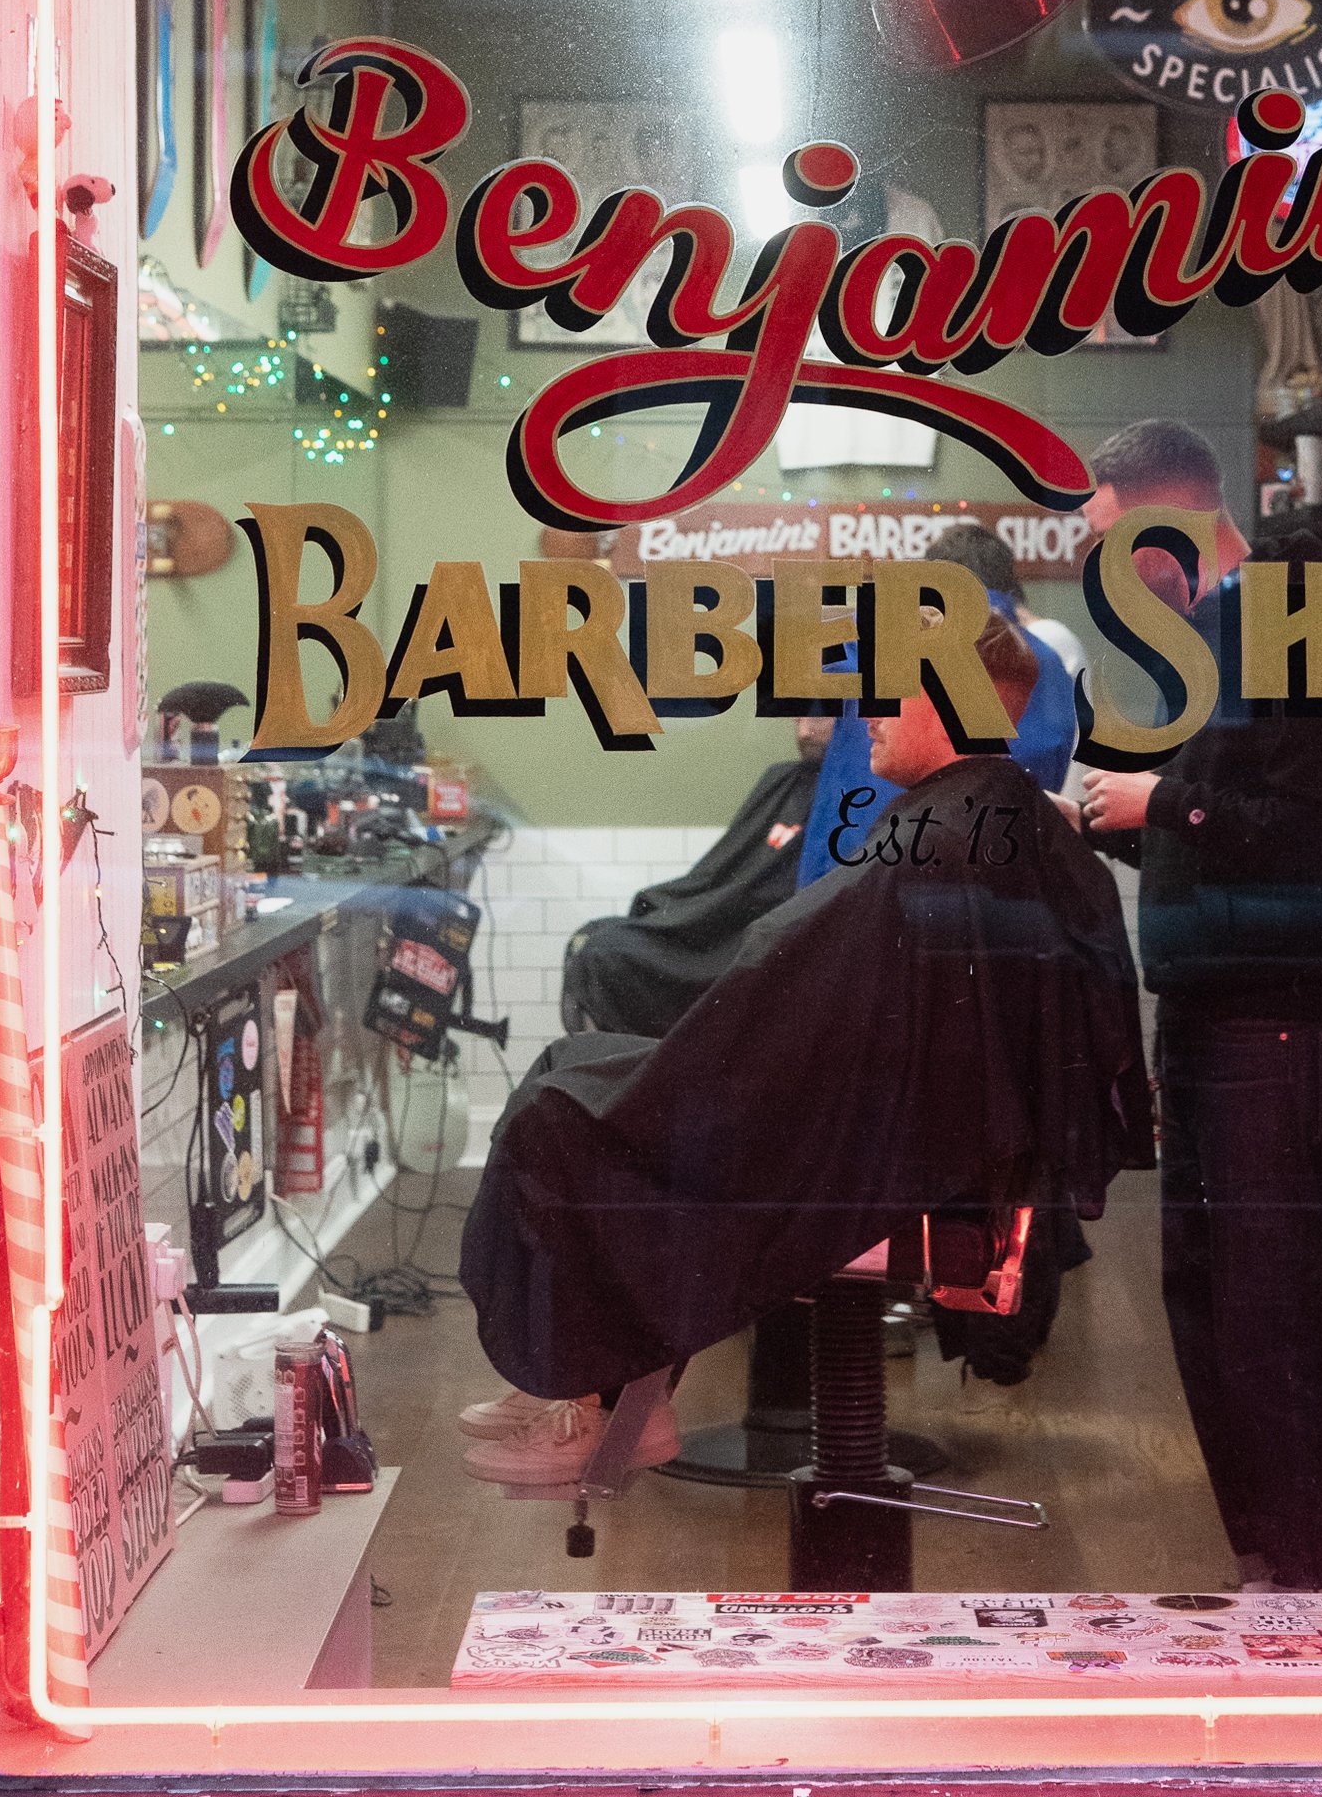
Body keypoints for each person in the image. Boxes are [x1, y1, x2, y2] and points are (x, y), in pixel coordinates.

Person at [457, 611, 1152, 1487]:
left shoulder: (938, 839)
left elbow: (791, 995)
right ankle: (600, 1393)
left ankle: (587, 1399)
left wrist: (705, 1053)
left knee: (566, 1111)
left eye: (884, 697)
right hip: (920, 1142)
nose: (865, 716)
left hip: (879, 1155)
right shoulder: (1005, 823)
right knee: (576, 1077)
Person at [1074, 420, 1322, 1592]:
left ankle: (1311, 1589)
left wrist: (1168, 808)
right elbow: (1223, 835)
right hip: (1213, 1015)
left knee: (1273, 1317)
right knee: (1208, 1309)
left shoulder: (1291, 629)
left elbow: (1320, 839)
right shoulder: (1197, 648)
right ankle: (1268, 1572)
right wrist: (1110, 820)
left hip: (1283, 1025)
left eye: (1109, 540)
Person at [796, 521, 1076, 895]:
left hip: (865, 871)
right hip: (998, 883)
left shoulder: (879, 638)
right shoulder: (1046, 662)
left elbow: (809, 710)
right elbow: (1048, 772)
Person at [559, 714, 833, 1038]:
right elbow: (720, 872)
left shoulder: (848, 799)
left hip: (751, 948)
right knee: (589, 938)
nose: (803, 731)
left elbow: (762, 894)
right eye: (798, 717)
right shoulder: (781, 780)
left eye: (818, 716)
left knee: (602, 954)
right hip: (717, 926)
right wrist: (666, 907)